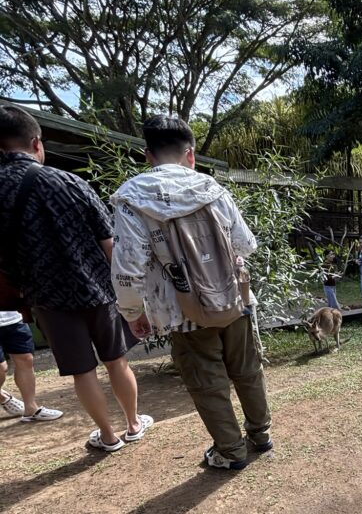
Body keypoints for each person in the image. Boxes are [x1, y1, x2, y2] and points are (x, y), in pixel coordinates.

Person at [110, 115, 272, 471]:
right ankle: (260, 435)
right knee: (247, 370)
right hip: (234, 299)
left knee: (206, 381)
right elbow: (246, 244)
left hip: (181, 309)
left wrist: (133, 312)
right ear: (191, 154)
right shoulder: (212, 189)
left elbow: (128, 266)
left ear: (148, 155)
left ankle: (230, 451)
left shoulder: (133, 197)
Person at [0, 105, 151, 451]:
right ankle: (132, 424)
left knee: (83, 371)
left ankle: (108, 436)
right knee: (117, 361)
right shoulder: (70, 182)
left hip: (48, 298)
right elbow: (110, 244)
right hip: (98, 289)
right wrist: (131, 294)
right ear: (36, 143)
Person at [0, 310, 63, 422]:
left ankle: (31, 409)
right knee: (1, 368)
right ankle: (2, 396)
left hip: (14, 318)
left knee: (26, 359)